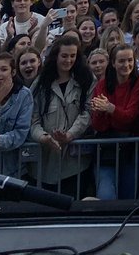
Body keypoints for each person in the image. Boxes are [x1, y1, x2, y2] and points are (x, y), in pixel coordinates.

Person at [30, 34, 94, 196]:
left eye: (72, 56)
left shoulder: (87, 79)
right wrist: (43, 137)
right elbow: (33, 118)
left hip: (75, 163)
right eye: (64, 56)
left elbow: (88, 112)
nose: (68, 60)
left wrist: (70, 134)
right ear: (56, 56)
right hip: (45, 162)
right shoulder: (40, 83)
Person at [89, 43, 139, 199]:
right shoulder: (102, 84)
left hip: (132, 148)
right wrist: (107, 113)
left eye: (130, 60)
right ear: (113, 63)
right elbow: (98, 124)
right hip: (107, 148)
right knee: (105, 195)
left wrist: (110, 108)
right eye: (121, 61)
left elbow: (130, 117)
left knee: (128, 196)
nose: (126, 65)